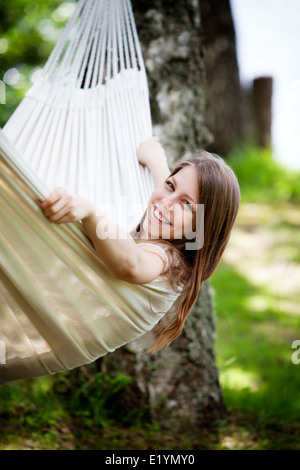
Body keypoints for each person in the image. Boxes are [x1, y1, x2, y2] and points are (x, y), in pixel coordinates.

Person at [39, 137, 240, 352]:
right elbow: (167, 192)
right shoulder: (171, 224)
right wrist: (156, 161)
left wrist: (91, 214)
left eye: (186, 203)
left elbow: (132, 263)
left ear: (201, 228)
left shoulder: (166, 258)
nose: (166, 202)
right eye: (171, 185)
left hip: (57, 330)